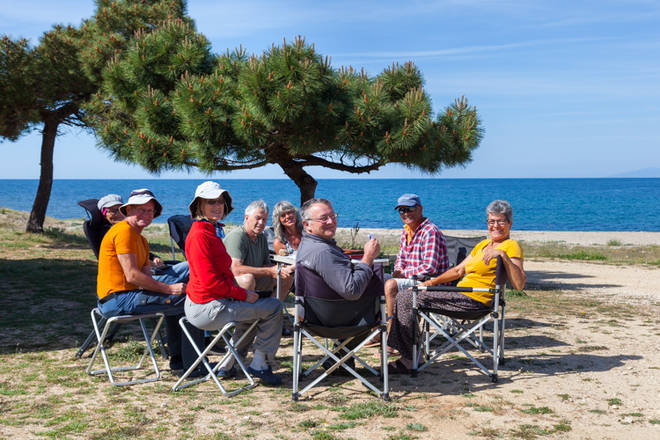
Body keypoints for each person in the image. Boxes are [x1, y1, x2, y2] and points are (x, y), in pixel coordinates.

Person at [387, 200, 527, 374]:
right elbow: (458, 270)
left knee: (407, 297)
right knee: (409, 293)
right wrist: (428, 284)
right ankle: (409, 352)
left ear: (510, 224)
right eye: (491, 221)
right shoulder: (482, 245)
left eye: (500, 221)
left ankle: (409, 358)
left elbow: (520, 284)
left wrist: (503, 256)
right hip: (459, 294)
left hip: (475, 300)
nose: (495, 226)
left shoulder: (511, 246)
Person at [184, 181, 283, 386]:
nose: (217, 206)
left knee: (254, 312)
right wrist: (243, 295)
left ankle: (228, 364)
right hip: (206, 307)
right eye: (211, 202)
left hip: (208, 302)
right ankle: (259, 364)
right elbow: (210, 282)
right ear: (199, 205)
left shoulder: (209, 230)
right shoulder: (201, 235)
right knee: (274, 307)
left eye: (220, 202)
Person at [96, 188, 201, 375]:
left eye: (150, 211)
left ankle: (181, 361)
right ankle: (193, 364)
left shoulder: (141, 239)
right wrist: (169, 288)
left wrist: (171, 287)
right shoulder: (124, 232)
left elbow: (146, 277)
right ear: (128, 211)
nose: (146, 214)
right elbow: (133, 276)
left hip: (127, 294)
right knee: (190, 301)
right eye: (141, 210)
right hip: (116, 299)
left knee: (182, 295)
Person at [296, 198, 384, 370]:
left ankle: (339, 359)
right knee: (385, 289)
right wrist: (368, 258)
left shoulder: (308, 245)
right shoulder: (323, 252)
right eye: (323, 218)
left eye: (333, 216)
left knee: (385, 281)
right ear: (307, 225)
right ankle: (406, 355)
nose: (331, 222)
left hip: (316, 314)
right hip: (340, 319)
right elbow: (352, 291)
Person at [381, 194, 449, 340]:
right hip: (411, 279)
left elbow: (429, 267)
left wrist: (403, 274)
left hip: (430, 282)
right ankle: (375, 330)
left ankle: (393, 336)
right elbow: (400, 259)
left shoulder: (430, 231)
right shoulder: (406, 232)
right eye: (402, 210)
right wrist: (398, 271)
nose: (406, 213)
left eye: (410, 209)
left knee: (391, 284)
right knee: (374, 279)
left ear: (420, 209)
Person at [224, 200, 294, 300]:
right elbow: (235, 270)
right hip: (231, 282)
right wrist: (270, 270)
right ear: (246, 217)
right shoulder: (237, 236)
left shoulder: (261, 238)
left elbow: (266, 265)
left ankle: (271, 310)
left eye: (264, 220)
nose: (261, 223)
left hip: (255, 279)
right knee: (247, 280)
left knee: (286, 278)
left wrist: (280, 268)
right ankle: (246, 314)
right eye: (257, 218)